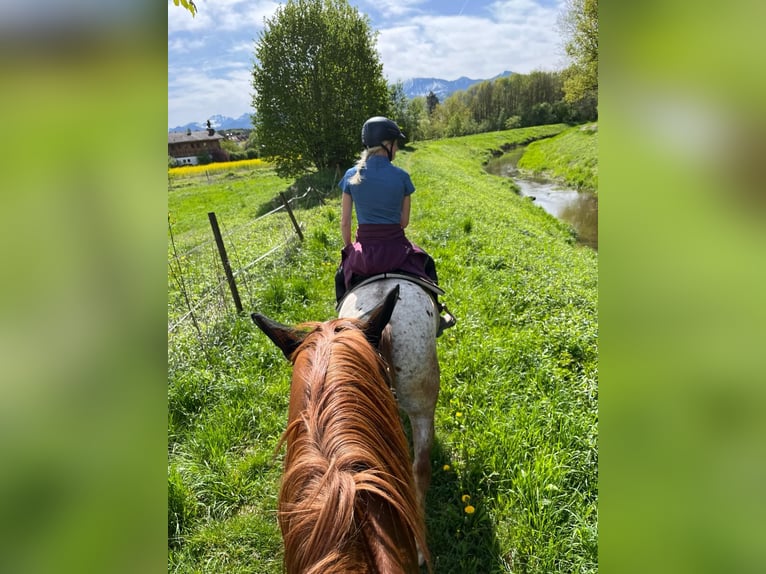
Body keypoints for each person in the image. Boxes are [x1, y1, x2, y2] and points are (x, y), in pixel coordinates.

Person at [334, 116, 456, 335]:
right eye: (396, 144)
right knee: (428, 263)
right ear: (386, 145)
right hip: (397, 250)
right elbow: (404, 222)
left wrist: (349, 248)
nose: (397, 149)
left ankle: (339, 329)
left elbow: (345, 222)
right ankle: (437, 317)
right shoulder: (401, 177)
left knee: (339, 277)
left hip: (365, 255)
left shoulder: (352, 176)